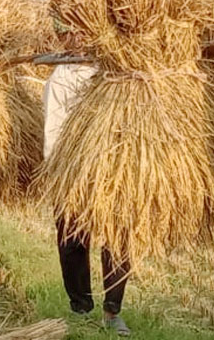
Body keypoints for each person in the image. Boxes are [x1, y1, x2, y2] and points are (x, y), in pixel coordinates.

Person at [43, 58, 132, 336]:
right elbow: (53, 128)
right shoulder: (62, 75)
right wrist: (58, 174)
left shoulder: (119, 66)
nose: (79, 37)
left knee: (118, 238)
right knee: (71, 239)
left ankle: (112, 311)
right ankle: (80, 306)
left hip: (116, 165)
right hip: (72, 168)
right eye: (73, 31)